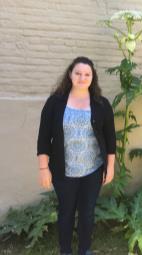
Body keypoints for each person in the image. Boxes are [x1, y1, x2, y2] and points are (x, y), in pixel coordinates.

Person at [37, 56, 116, 255]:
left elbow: (111, 139)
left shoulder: (101, 104)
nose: (82, 78)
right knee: (66, 213)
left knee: (87, 214)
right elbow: (43, 139)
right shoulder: (55, 103)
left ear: (92, 77)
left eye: (87, 74)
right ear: (70, 74)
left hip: (93, 169)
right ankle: (65, 250)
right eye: (78, 73)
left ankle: (84, 249)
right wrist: (44, 168)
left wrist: (111, 167)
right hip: (63, 171)